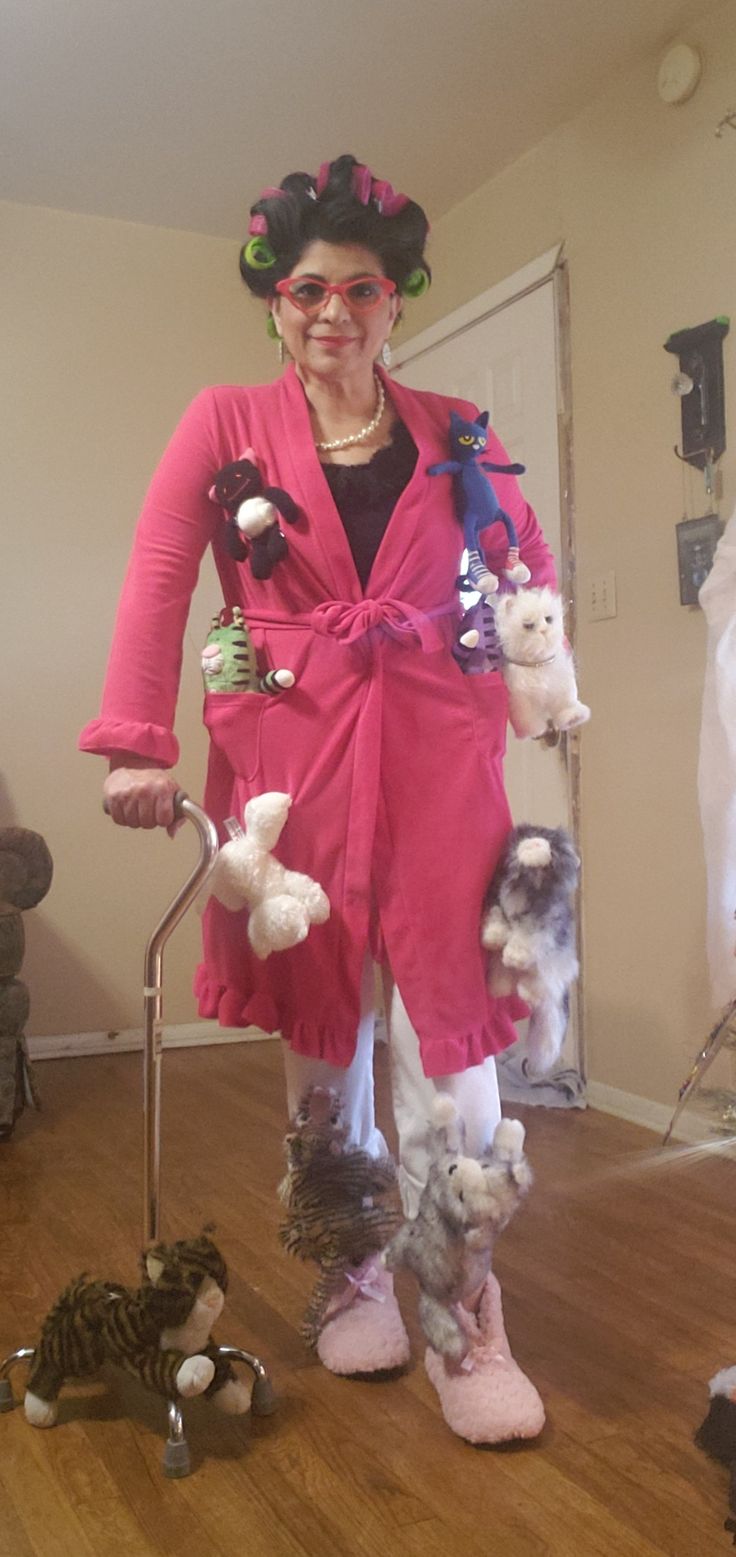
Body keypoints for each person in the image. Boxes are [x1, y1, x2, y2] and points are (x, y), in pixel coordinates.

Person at [80, 154, 556, 1442]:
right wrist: (137, 737)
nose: (333, 312)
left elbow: (524, 564)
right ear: (275, 302)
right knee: (323, 1038)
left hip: (441, 762)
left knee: (453, 1059)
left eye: (362, 288)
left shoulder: (460, 425)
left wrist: (537, 678)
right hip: (289, 765)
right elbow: (164, 567)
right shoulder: (224, 420)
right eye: (307, 290)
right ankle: (353, 1273)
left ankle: (462, 1312)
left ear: (398, 299)